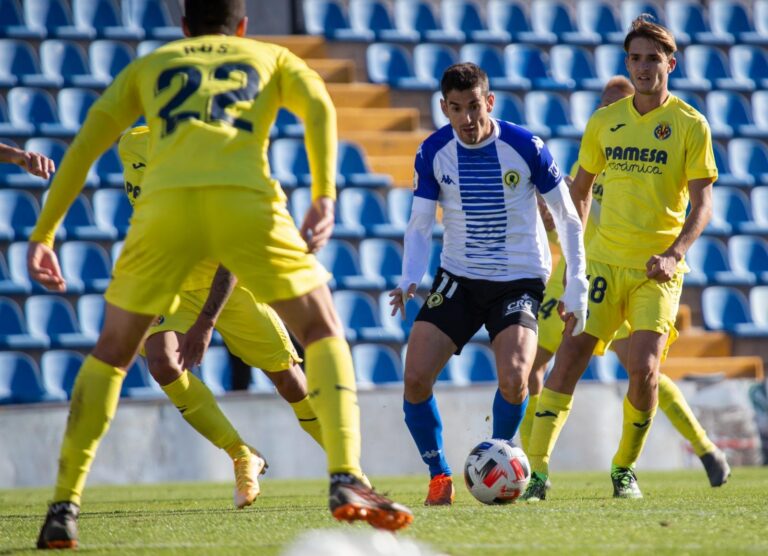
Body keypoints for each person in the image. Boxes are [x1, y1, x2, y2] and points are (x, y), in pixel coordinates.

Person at [31, 1, 412, 548]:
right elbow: (321, 108)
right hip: (243, 202)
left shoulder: (151, 66)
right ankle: (345, 475)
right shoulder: (269, 56)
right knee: (323, 329)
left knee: (110, 353)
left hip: (169, 216)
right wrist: (324, 195)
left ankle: (64, 506)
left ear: (183, 27)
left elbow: (86, 141)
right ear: (241, 26)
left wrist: (45, 233)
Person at [521, 16, 718, 502]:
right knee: (567, 360)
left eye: (654, 58)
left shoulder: (691, 125)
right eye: (636, 57)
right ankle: (538, 474)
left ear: (670, 63)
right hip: (601, 266)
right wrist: (575, 265)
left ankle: (624, 469)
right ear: (627, 63)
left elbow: (704, 204)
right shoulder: (604, 122)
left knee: (646, 370)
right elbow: (580, 194)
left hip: (656, 269)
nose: (645, 66)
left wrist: (674, 254)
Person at [389, 62, 589, 506]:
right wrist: (409, 279)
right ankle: (440, 475)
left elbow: (568, 218)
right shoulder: (432, 152)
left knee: (516, 377)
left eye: (474, 106)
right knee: (416, 377)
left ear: (489, 102)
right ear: (444, 107)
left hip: (517, 277)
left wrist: (576, 283)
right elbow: (420, 224)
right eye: (456, 109)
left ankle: (498, 459)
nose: (467, 119)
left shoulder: (525, 146)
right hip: (459, 275)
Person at [118, 125, 331, 509]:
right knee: (163, 363)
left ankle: (349, 471)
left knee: (289, 381)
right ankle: (241, 453)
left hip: (227, 278)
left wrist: (205, 324)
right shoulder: (132, 144)